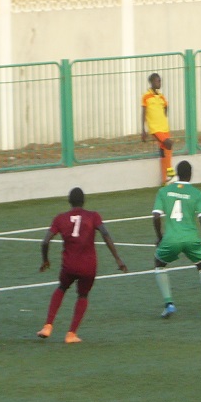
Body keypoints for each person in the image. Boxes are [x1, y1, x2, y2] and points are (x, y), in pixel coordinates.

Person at [37, 187, 128, 343]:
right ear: (84, 201)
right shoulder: (93, 216)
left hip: (69, 266)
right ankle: (71, 334)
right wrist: (117, 259)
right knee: (83, 295)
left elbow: (45, 241)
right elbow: (105, 234)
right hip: (88, 266)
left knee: (62, 288)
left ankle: (48, 326)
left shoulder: (60, 218)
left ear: (69, 201)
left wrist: (45, 260)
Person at [152, 161, 201, 321]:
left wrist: (159, 236)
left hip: (171, 238)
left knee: (159, 263)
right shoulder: (197, 194)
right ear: (190, 175)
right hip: (191, 238)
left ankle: (169, 304)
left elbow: (156, 216)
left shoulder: (164, 191)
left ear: (177, 174)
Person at [141, 73, 174, 185]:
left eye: (160, 81)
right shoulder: (146, 96)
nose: (159, 83)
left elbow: (166, 107)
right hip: (155, 129)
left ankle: (165, 180)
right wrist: (143, 129)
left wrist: (163, 117)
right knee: (169, 144)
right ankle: (171, 175)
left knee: (165, 152)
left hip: (164, 127)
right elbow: (144, 112)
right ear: (151, 82)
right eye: (157, 81)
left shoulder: (161, 96)